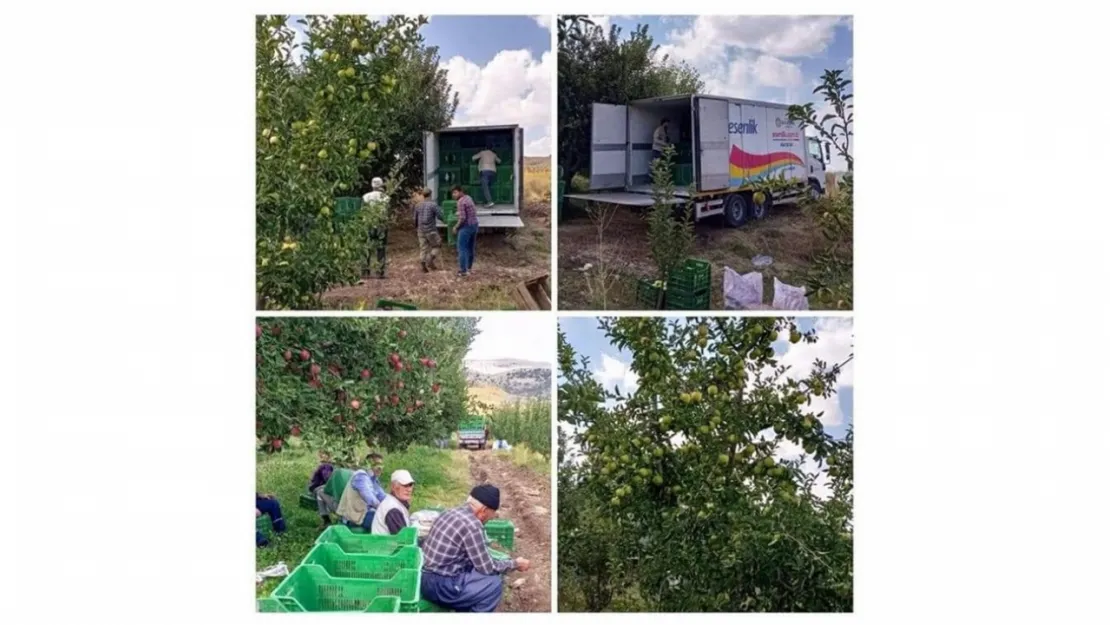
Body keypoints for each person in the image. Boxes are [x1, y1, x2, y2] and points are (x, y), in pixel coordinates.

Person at [420, 485, 531, 612]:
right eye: (491, 516)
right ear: (483, 510)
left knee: (475, 572)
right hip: (439, 585)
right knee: (493, 584)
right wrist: (515, 564)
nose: (488, 520)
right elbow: (487, 568)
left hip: (426, 577)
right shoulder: (472, 525)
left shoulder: (450, 512)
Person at [336, 452, 388, 531]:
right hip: (355, 517)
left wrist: (393, 505)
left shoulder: (373, 479)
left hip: (364, 514)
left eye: (381, 465)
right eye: (376, 464)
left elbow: (383, 497)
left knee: (392, 516)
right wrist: (385, 510)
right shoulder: (361, 476)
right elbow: (371, 500)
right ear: (368, 465)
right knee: (386, 521)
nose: (380, 467)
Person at [371, 469, 416, 535]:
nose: (409, 489)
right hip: (385, 545)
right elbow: (404, 539)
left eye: (410, 485)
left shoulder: (394, 501)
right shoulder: (393, 509)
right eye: (405, 485)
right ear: (393, 487)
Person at [362, 177, 390, 280]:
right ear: (381, 185)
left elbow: (363, 211)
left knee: (367, 248)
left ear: (372, 185)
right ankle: (380, 272)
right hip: (381, 224)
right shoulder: (385, 197)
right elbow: (387, 212)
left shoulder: (365, 197)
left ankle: (365, 272)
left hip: (368, 224)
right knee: (381, 249)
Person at [412, 187, 443, 273]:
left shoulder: (418, 205)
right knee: (437, 245)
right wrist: (445, 220)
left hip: (420, 230)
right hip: (431, 230)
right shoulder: (433, 205)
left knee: (423, 248)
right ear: (430, 194)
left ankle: (423, 265)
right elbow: (440, 216)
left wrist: (416, 228)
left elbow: (415, 218)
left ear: (423, 195)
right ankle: (430, 258)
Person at [450, 185, 479, 277]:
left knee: (462, 248)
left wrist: (455, 227)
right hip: (474, 225)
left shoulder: (460, 202)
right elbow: (472, 211)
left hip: (466, 227)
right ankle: (469, 268)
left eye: (455, 192)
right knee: (470, 248)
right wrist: (459, 212)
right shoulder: (468, 198)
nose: (453, 195)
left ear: (460, 191)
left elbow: (462, 218)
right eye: (452, 193)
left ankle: (463, 271)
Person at [308, 450, 336, 529]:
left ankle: (326, 519)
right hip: (318, 487)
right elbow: (327, 478)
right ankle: (326, 518)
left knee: (321, 493)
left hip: (315, 487)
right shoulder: (325, 466)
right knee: (321, 492)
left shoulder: (324, 466)